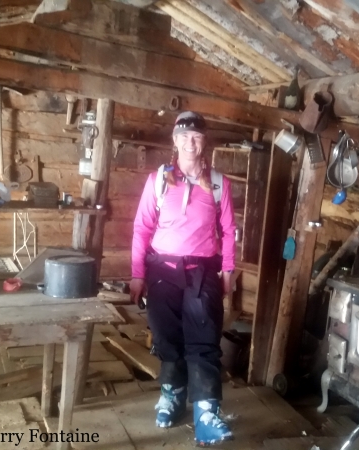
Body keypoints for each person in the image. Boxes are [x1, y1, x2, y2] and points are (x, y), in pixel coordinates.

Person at [129, 111, 236, 446]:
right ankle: (172, 396)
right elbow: (141, 228)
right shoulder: (158, 181)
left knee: (204, 341)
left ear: (205, 142)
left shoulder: (219, 184)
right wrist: (137, 274)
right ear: (174, 140)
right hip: (162, 271)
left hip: (202, 272)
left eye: (198, 136)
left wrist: (229, 271)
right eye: (185, 136)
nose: (191, 142)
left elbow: (230, 232)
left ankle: (206, 414)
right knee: (166, 338)